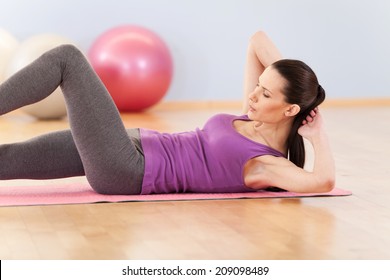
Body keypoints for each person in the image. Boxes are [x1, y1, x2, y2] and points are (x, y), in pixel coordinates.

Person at [0, 31, 335, 195]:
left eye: (264, 93)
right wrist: (294, 82)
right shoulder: (253, 117)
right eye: (258, 85)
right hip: (131, 143)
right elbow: (256, 41)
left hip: (128, 169)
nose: (252, 95)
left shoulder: (268, 164)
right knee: (11, 159)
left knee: (67, 58)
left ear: (290, 109)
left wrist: (317, 132)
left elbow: (322, 182)